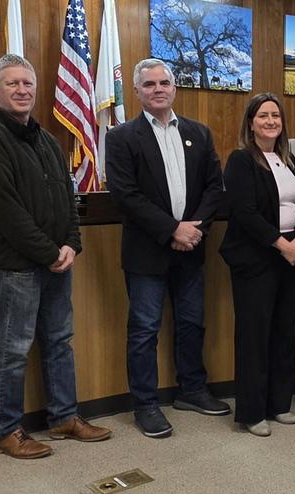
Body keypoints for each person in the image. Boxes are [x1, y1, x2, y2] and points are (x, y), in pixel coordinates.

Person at [0, 54, 111, 459]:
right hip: (16, 268)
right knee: (12, 350)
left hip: (56, 263)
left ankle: (64, 416)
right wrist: (50, 252)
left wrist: (71, 244)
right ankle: (5, 430)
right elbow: (7, 211)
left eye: (27, 84)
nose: (22, 90)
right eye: (12, 84)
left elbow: (67, 199)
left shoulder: (46, 140)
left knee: (59, 342)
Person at [105, 58, 230, 439]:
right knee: (144, 330)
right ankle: (145, 404)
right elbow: (125, 196)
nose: (158, 89)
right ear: (138, 91)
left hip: (191, 247)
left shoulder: (199, 132)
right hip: (147, 252)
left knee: (192, 323)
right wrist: (172, 229)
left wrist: (194, 229)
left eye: (164, 83)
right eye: (149, 85)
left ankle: (191, 389)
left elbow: (214, 187)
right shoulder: (121, 136)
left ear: (175, 88)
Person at [219, 93, 295, 437]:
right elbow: (244, 212)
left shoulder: (289, 159)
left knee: (284, 332)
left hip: (290, 256)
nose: (271, 121)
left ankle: (279, 404)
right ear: (251, 122)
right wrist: (282, 244)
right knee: (255, 336)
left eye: (276, 115)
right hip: (256, 258)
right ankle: (253, 411)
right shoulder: (241, 160)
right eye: (263, 116)